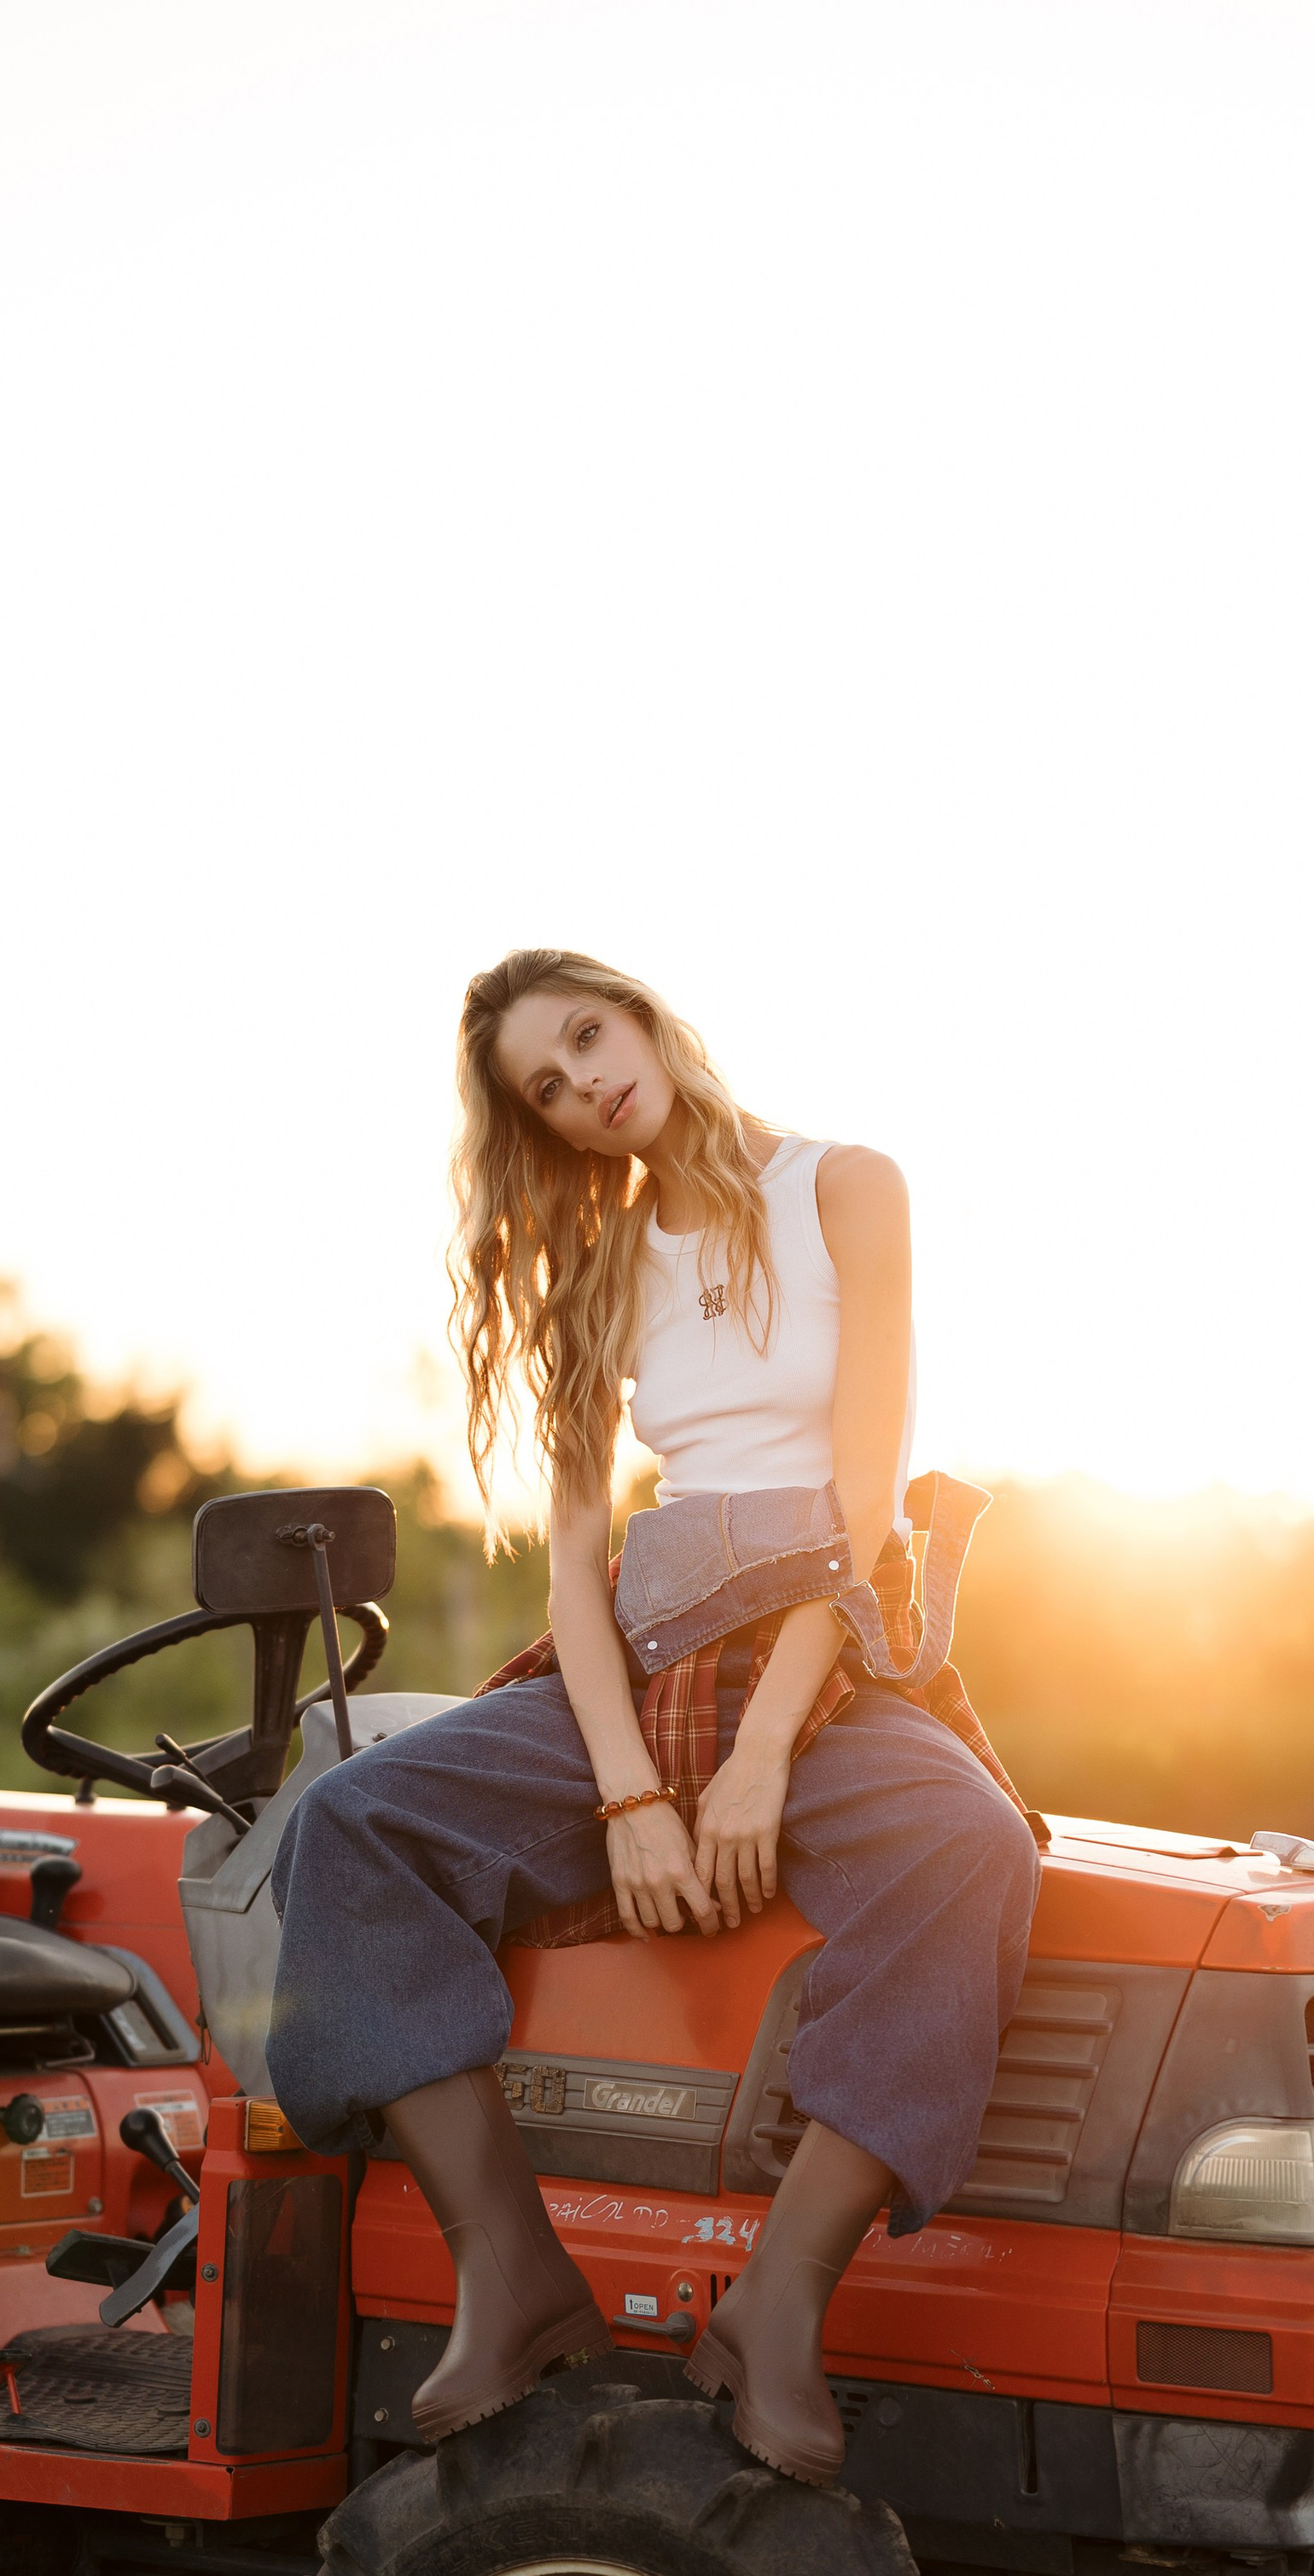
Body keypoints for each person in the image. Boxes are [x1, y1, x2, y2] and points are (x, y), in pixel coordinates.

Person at [267, 950, 1042, 2486]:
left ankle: (778, 2302)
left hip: (820, 1639)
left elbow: (866, 1506)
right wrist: (629, 1792)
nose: (583, 1085)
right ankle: (514, 2271)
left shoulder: (848, 1189)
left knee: (967, 1840)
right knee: (352, 1822)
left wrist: (759, 1763)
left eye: (585, 1038)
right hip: (648, 1636)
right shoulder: (599, 1268)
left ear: (642, 1013)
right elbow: (575, 1576)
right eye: (544, 1090)